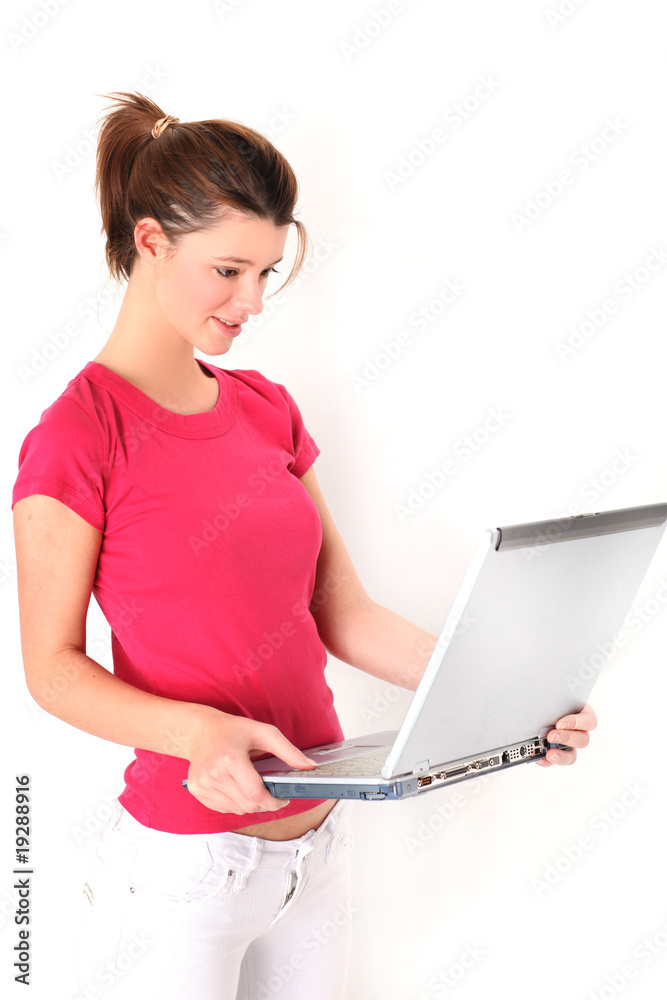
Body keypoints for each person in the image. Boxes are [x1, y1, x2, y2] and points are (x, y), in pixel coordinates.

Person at [11, 91, 598, 1000]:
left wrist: (503, 696)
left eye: (266, 272)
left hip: (318, 847)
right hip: (186, 874)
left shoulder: (266, 409)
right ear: (151, 241)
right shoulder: (78, 436)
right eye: (228, 270)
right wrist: (195, 733)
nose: (251, 301)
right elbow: (50, 669)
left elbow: (344, 612)